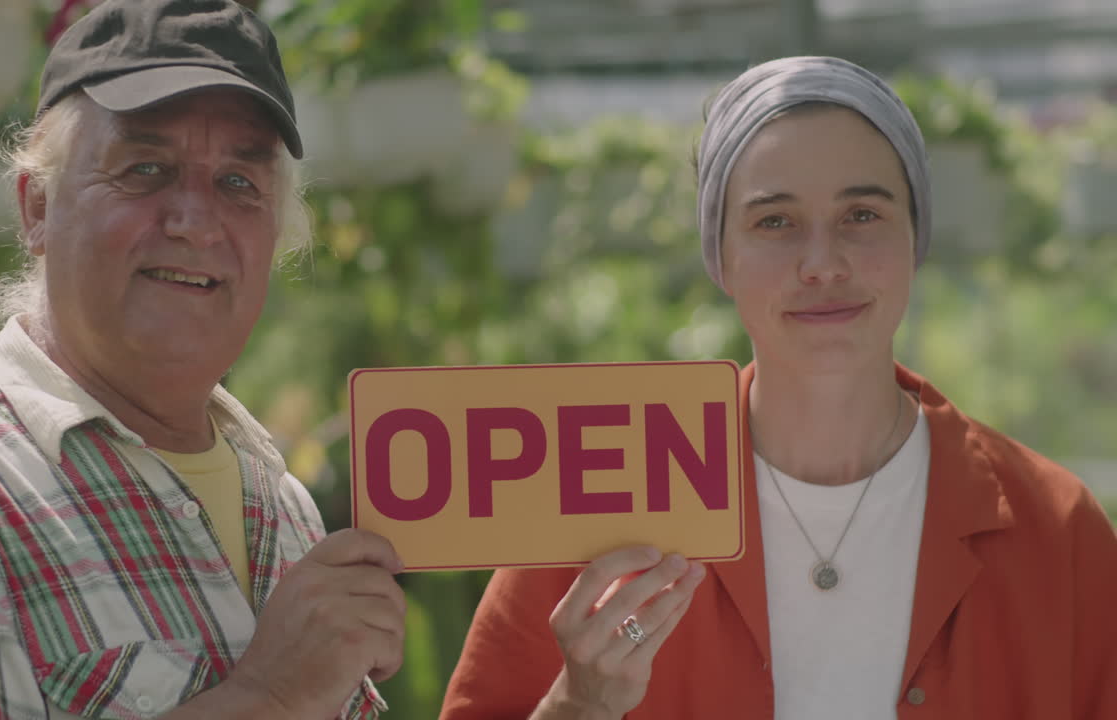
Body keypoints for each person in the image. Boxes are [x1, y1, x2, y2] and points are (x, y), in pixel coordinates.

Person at [439, 56, 1117, 719]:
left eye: (862, 214)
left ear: (916, 237)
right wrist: (578, 706)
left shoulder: (1056, 531)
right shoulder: (593, 498)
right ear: (720, 257)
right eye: (774, 221)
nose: (822, 262)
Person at [0, 2, 406, 718]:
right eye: (146, 168)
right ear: (36, 207)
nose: (195, 221)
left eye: (239, 182)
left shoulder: (279, 502)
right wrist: (271, 696)